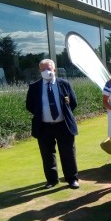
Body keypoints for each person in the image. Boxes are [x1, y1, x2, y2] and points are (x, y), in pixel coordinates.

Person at [26, 58, 79, 189]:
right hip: (44, 126)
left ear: (54, 69)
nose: (46, 71)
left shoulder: (64, 84)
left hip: (63, 124)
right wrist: (43, 113)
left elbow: (73, 103)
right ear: (40, 71)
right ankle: (52, 180)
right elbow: (30, 106)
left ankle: (72, 179)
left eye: (48, 68)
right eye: (43, 69)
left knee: (68, 153)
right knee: (47, 154)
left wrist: (63, 114)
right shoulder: (34, 87)